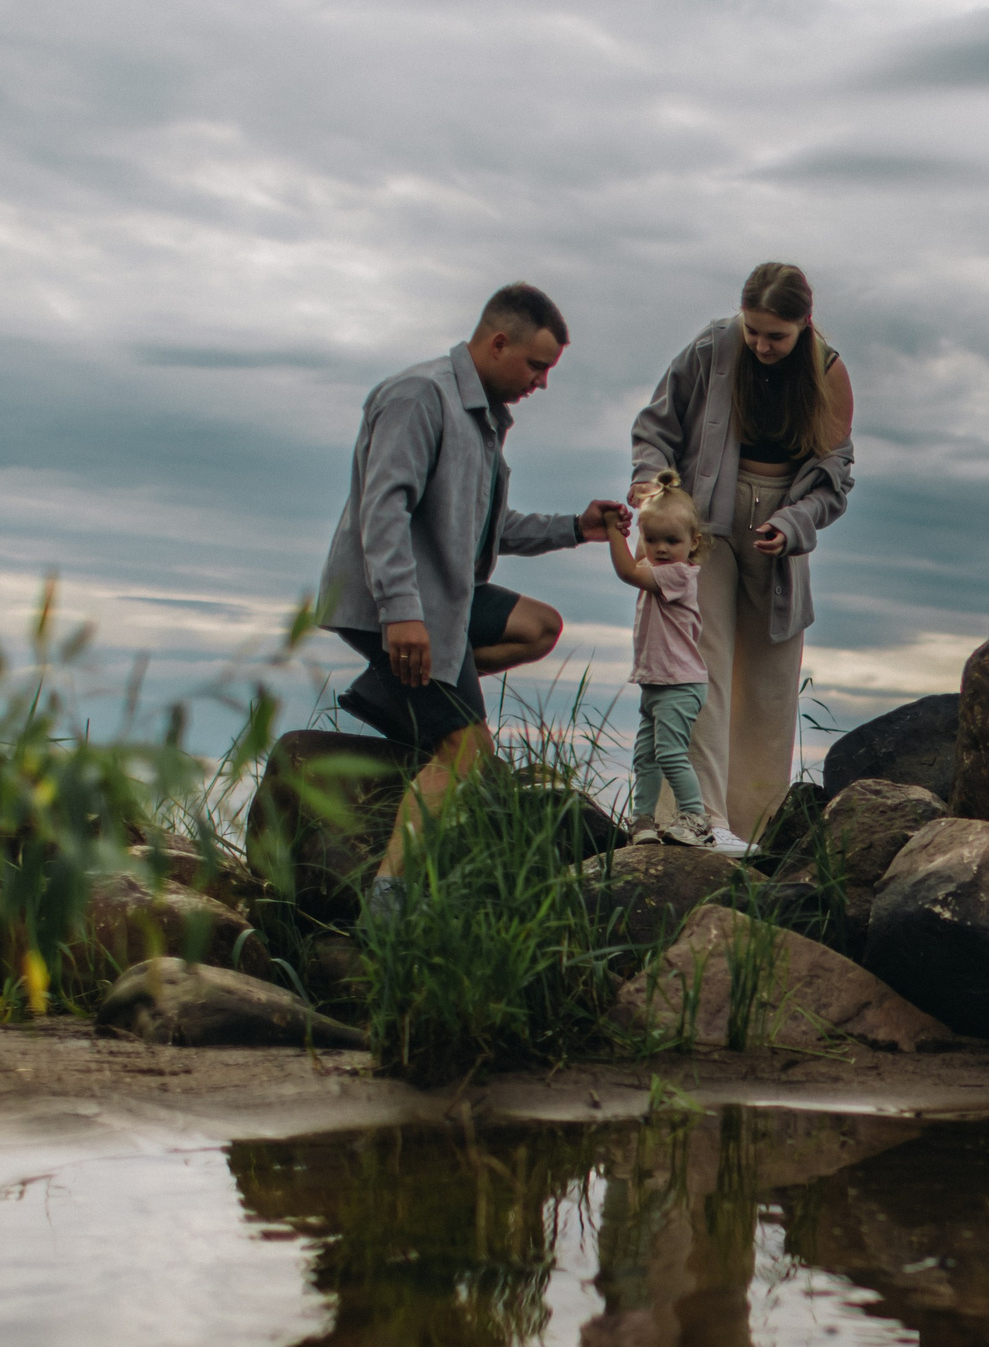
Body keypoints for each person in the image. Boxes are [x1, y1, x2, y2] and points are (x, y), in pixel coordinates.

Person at [315, 282, 627, 913]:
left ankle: (395, 691)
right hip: (391, 607)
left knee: (540, 626)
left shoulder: (484, 423)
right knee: (466, 752)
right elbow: (384, 510)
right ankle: (389, 902)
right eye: (536, 366)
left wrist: (577, 528)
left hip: (447, 607)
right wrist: (401, 614)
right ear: (498, 341)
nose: (541, 383)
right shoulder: (419, 395)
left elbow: (490, 527)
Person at [630, 262, 856, 855]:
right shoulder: (711, 346)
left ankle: (751, 837)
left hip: (779, 528)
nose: (760, 345)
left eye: (775, 336)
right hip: (701, 523)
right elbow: (654, 427)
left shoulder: (830, 373)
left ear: (805, 324)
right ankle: (693, 820)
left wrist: (793, 523)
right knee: (694, 666)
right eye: (753, 330)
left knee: (771, 681)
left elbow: (834, 481)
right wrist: (653, 489)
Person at [609, 472, 715, 848]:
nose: (662, 548)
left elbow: (626, 571)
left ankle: (696, 819)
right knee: (646, 757)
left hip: (680, 685)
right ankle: (643, 821)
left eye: (673, 540)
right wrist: (638, 517)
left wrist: (612, 531)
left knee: (670, 754)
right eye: (652, 539)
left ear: (693, 542)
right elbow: (637, 560)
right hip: (657, 684)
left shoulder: (679, 575)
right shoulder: (656, 567)